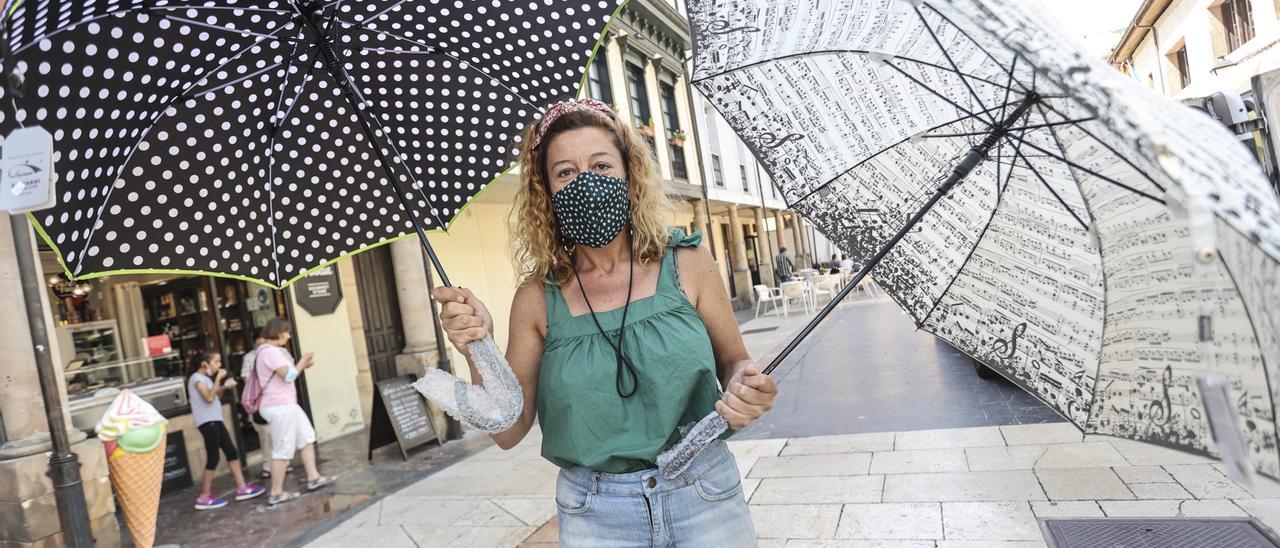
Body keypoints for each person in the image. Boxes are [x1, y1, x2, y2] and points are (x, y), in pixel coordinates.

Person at [432, 98, 777, 546]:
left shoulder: (689, 263)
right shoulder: (536, 300)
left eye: (601, 165)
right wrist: (478, 345)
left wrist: (744, 387)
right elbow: (508, 431)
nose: (586, 183)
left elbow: (734, 361)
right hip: (596, 515)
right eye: (566, 173)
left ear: (629, 177)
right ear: (546, 193)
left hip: (705, 494)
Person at [253, 318, 336, 506]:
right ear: (278, 332)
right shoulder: (270, 352)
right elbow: (289, 376)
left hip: (287, 404)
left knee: (306, 437)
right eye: (287, 332)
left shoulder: (269, 351)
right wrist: (301, 363)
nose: (289, 336)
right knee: (282, 449)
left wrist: (301, 366)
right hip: (279, 406)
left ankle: (313, 477)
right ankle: (276, 492)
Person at [186, 351, 264, 510]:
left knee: (231, 452)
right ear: (204, 363)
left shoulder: (206, 379)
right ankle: (204, 496)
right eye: (216, 362)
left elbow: (214, 396)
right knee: (213, 457)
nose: (219, 365)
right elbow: (208, 398)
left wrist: (223, 387)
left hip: (215, 420)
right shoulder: (196, 378)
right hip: (208, 422)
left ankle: (242, 487)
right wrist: (218, 380)